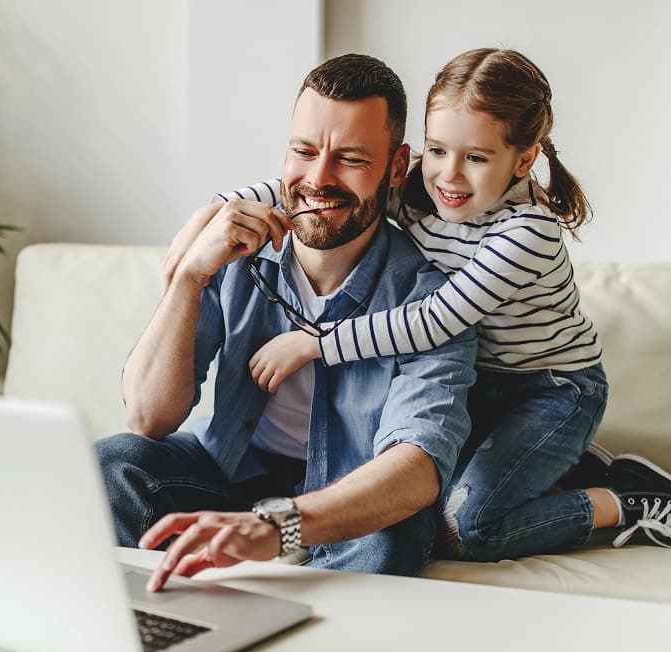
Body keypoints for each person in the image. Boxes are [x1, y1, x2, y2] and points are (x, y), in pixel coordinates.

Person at [209, 48, 671, 558]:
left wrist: (314, 342)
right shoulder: (416, 194)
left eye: (475, 158)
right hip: (480, 380)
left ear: (524, 159)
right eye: (437, 151)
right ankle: (564, 466)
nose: (449, 176)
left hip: (551, 390)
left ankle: (627, 500)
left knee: (466, 528)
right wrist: (213, 217)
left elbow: (435, 320)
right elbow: (315, 190)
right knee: (409, 500)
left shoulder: (528, 230)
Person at [95, 53, 478, 592]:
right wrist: (189, 278)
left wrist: (280, 524)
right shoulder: (233, 252)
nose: (318, 179)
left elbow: (415, 468)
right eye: (303, 151)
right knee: (114, 463)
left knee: (398, 529)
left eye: (349, 159)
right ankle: (162, 628)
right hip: (233, 471)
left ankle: (298, 648)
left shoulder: (436, 300)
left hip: (348, 496)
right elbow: (149, 417)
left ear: (396, 167)